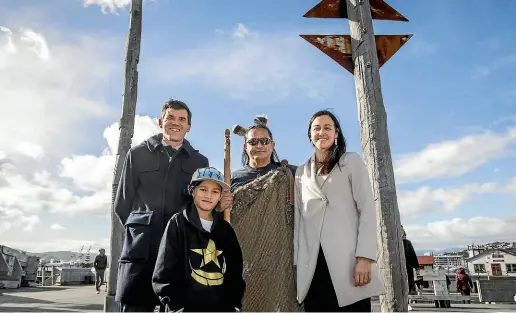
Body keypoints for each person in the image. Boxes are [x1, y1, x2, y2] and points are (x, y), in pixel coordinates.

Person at [114, 99, 229, 312]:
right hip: (141, 253)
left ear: (189, 127)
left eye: (182, 119)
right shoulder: (137, 154)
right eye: (171, 118)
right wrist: (140, 230)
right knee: (135, 306)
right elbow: (122, 204)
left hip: (180, 253)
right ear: (161, 121)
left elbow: (201, 205)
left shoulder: (199, 162)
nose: (175, 123)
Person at [294, 110, 384, 312]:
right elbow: (299, 220)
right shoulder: (301, 172)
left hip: (349, 262)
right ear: (310, 134)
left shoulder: (351, 161)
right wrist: (297, 264)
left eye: (327, 128)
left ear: (336, 133)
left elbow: (368, 210)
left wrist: (365, 257)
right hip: (314, 266)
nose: (322, 132)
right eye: (316, 128)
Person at [225, 115, 301, 311]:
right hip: (245, 255)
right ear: (245, 146)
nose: (259, 145)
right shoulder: (232, 179)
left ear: (272, 144)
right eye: (253, 141)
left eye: (264, 141)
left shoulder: (288, 173)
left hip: (280, 257)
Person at [152, 167, 246, 312]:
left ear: (220, 196)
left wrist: (234, 305)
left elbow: (235, 270)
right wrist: (176, 306)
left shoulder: (226, 230)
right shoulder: (177, 223)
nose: (208, 195)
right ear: (192, 191)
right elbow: (164, 272)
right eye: (203, 189)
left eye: (215, 191)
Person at [401, 226, 420, 311]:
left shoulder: (407, 243)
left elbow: (413, 255)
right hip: (395, 267)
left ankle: (407, 303)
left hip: (407, 267)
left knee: (407, 285)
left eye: (402, 230)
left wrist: (417, 267)